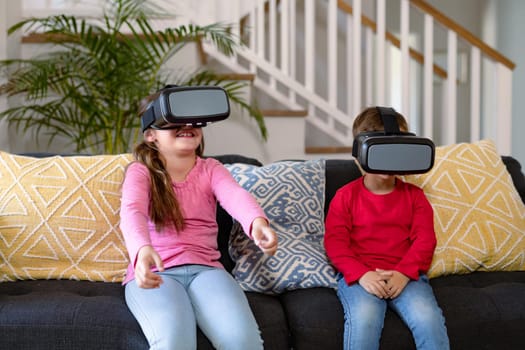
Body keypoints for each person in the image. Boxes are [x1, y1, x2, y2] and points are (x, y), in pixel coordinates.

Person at [120, 87, 278, 350]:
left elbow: (235, 196)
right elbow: (132, 211)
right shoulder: (141, 172)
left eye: (192, 120)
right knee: (174, 341)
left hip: (206, 270)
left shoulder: (211, 169)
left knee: (243, 342)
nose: (186, 125)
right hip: (158, 271)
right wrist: (142, 250)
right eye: (174, 120)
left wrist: (257, 223)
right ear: (151, 135)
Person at [324, 106, 449, 350]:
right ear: (361, 151)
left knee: (428, 318)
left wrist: (403, 273)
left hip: (407, 276)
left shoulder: (415, 197)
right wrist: (362, 274)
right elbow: (335, 243)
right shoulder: (345, 196)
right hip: (360, 278)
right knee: (364, 319)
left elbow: (425, 240)